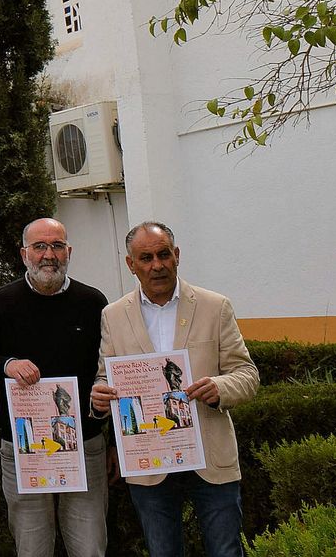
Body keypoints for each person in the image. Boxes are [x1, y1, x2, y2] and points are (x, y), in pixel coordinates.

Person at [90, 222, 260, 557]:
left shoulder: (215, 306)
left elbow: (247, 374)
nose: (157, 265)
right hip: (149, 462)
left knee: (225, 551)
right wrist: (100, 398)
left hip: (210, 457)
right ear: (131, 265)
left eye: (164, 254)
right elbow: (103, 377)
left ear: (177, 256)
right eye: (146, 257)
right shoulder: (113, 315)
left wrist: (220, 386)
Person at [0, 217, 109, 557]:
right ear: (24, 253)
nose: (49, 255)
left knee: (89, 546)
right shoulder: (1, 302)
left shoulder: (92, 302)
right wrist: (6, 365)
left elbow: (107, 368)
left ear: (68, 251)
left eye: (57, 246)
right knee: (32, 547)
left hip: (85, 443)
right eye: (40, 246)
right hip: (22, 446)